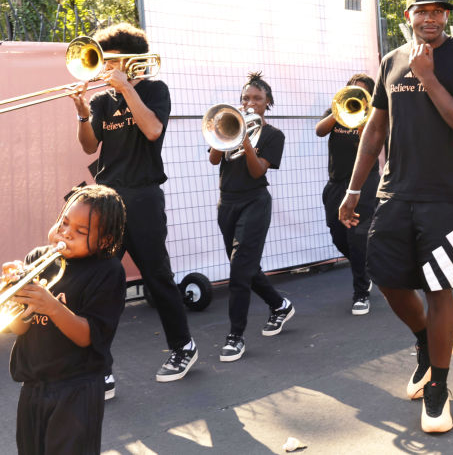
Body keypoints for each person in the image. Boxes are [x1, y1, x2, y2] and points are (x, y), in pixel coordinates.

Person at [339, 0, 453, 434]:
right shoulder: (391, 61)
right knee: (387, 281)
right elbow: (374, 131)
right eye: (421, 11)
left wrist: (428, 78)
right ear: (407, 16)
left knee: (439, 289)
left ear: (446, 16)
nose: (430, 18)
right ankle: (428, 342)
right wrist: (353, 189)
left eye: (438, 11)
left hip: (443, 197)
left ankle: (438, 388)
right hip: (394, 195)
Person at [69, 22, 195, 393]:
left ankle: (182, 346)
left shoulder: (155, 90)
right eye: (102, 63)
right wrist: (81, 112)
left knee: (157, 277)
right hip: (107, 198)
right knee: (99, 281)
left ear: (131, 62)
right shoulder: (101, 100)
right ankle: (99, 366)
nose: (104, 70)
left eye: (111, 63)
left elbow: (153, 130)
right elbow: (90, 147)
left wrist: (126, 88)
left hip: (143, 195)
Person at [8, 185, 127, 454]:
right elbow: (18, 326)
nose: (66, 233)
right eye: (64, 222)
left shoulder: (108, 272)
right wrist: (12, 295)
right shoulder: (37, 259)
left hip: (77, 389)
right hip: (33, 385)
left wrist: (51, 306)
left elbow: (89, 336)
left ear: (105, 240)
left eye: (80, 231)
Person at [208, 72, 290, 362]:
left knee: (239, 271)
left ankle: (235, 336)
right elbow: (214, 158)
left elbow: (258, 171)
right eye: (246, 98)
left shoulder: (273, 135)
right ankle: (279, 305)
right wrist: (226, 133)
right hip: (227, 202)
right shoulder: (229, 125)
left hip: (255, 202)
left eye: (257, 98)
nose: (250, 102)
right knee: (244, 264)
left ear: (268, 103)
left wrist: (244, 141)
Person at [315, 74, 377, 315]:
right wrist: (339, 110)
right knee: (338, 236)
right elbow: (320, 131)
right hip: (336, 183)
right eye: (352, 90)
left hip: (364, 183)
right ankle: (365, 268)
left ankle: (361, 292)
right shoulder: (337, 110)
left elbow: (370, 146)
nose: (356, 95)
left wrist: (363, 117)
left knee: (356, 236)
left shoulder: (373, 115)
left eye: (361, 92)